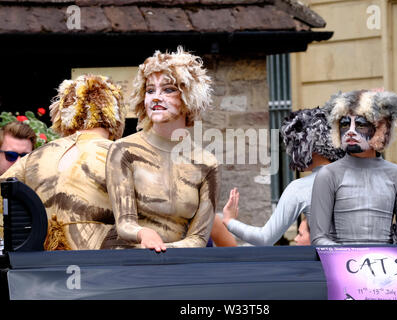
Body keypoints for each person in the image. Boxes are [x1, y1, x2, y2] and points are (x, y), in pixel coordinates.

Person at [106, 47, 220, 252]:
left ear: (189, 97)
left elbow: (200, 238)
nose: (156, 97)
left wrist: (166, 253)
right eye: (150, 90)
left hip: (179, 268)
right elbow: (125, 224)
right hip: (129, 264)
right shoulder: (124, 150)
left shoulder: (207, 163)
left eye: (168, 89)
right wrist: (143, 234)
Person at [1, 74, 127, 250]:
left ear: (62, 114)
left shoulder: (33, 157)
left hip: (43, 269)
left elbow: (3, 204)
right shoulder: (123, 155)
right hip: (102, 267)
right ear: (115, 115)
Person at [222, 107, 345, 246]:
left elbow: (265, 238)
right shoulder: (356, 176)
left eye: (294, 145)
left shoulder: (300, 188)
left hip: (328, 264)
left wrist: (229, 221)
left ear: (308, 145)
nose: (290, 153)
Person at [309, 89, 397, 245]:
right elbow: (319, 239)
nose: (351, 131)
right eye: (345, 124)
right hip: (340, 266)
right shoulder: (328, 175)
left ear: (381, 130)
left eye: (360, 125)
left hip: (386, 266)